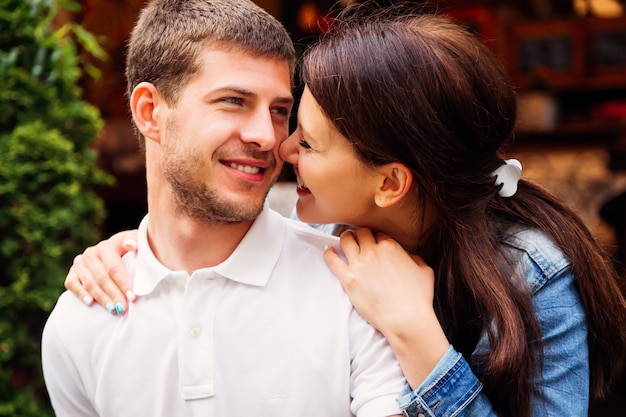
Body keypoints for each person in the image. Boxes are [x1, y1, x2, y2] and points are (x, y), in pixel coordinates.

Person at [63, 4, 626, 417]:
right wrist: (125, 254)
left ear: (389, 184)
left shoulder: (532, 277)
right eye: (236, 101)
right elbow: (199, 229)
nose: (277, 147)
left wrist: (417, 334)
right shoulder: (327, 228)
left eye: (302, 136)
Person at [40, 1, 407, 416]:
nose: (267, 137)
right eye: (234, 101)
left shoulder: (358, 287)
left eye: (280, 111)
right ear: (150, 112)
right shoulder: (79, 323)